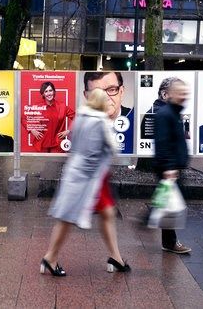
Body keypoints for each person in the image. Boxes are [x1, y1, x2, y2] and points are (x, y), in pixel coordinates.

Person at [41, 88, 130, 277]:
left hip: (89, 177)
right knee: (68, 217)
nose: (109, 103)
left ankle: (116, 257)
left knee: (106, 214)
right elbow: (92, 153)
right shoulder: (99, 122)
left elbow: (75, 141)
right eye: (106, 100)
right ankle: (50, 257)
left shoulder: (82, 117)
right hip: (88, 178)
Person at [153, 79, 192, 254]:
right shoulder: (166, 114)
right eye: (181, 93)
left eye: (186, 93)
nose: (185, 96)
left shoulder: (173, 112)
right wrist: (169, 167)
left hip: (173, 167)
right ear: (171, 94)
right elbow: (162, 142)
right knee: (169, 203)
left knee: (166, 202)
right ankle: (169, 242)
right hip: (169, 168)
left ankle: (149, 221)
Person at [84, 71, 133, 153]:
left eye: (112, 89)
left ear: (121, 91)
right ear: (86, 96)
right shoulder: (81, 124)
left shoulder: (135, 121)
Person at [22, 81, 74, 153]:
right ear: (43, 94)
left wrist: (69, 131)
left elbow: (77, 118)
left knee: (56, 164)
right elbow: (23, 118)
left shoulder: (62, 106)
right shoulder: (37, 106)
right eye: (46, 91)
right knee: (41, 164)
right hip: (42, 144)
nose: (49, 93)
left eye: (50, 90)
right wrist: (32, 130)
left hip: (57, 145)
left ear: (54, 92)